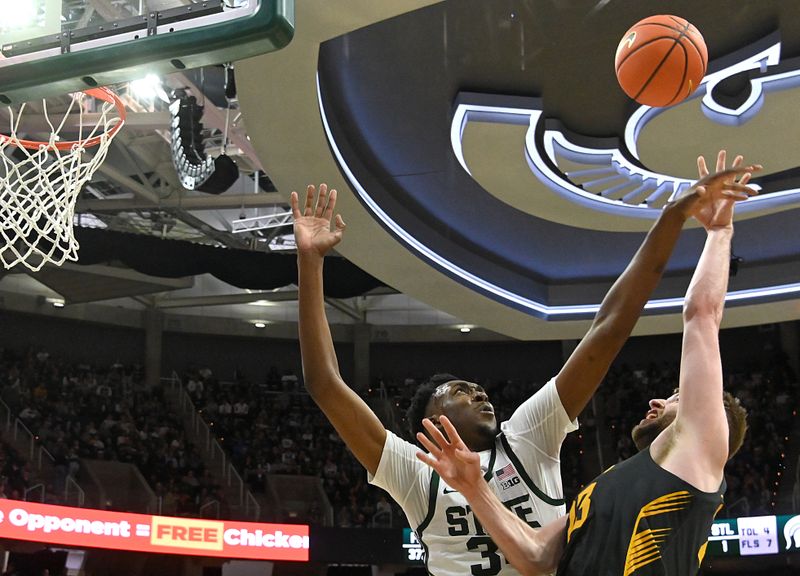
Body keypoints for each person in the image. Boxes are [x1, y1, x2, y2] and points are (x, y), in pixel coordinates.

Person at [292, 151, 758, 576]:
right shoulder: (415, 470)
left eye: (477, 388)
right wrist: (310, 264)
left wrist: (675, 223)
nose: (479, 394)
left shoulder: (527, 434)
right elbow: (324, 384)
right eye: (459, 392)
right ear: (431, 422)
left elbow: (608, 331)